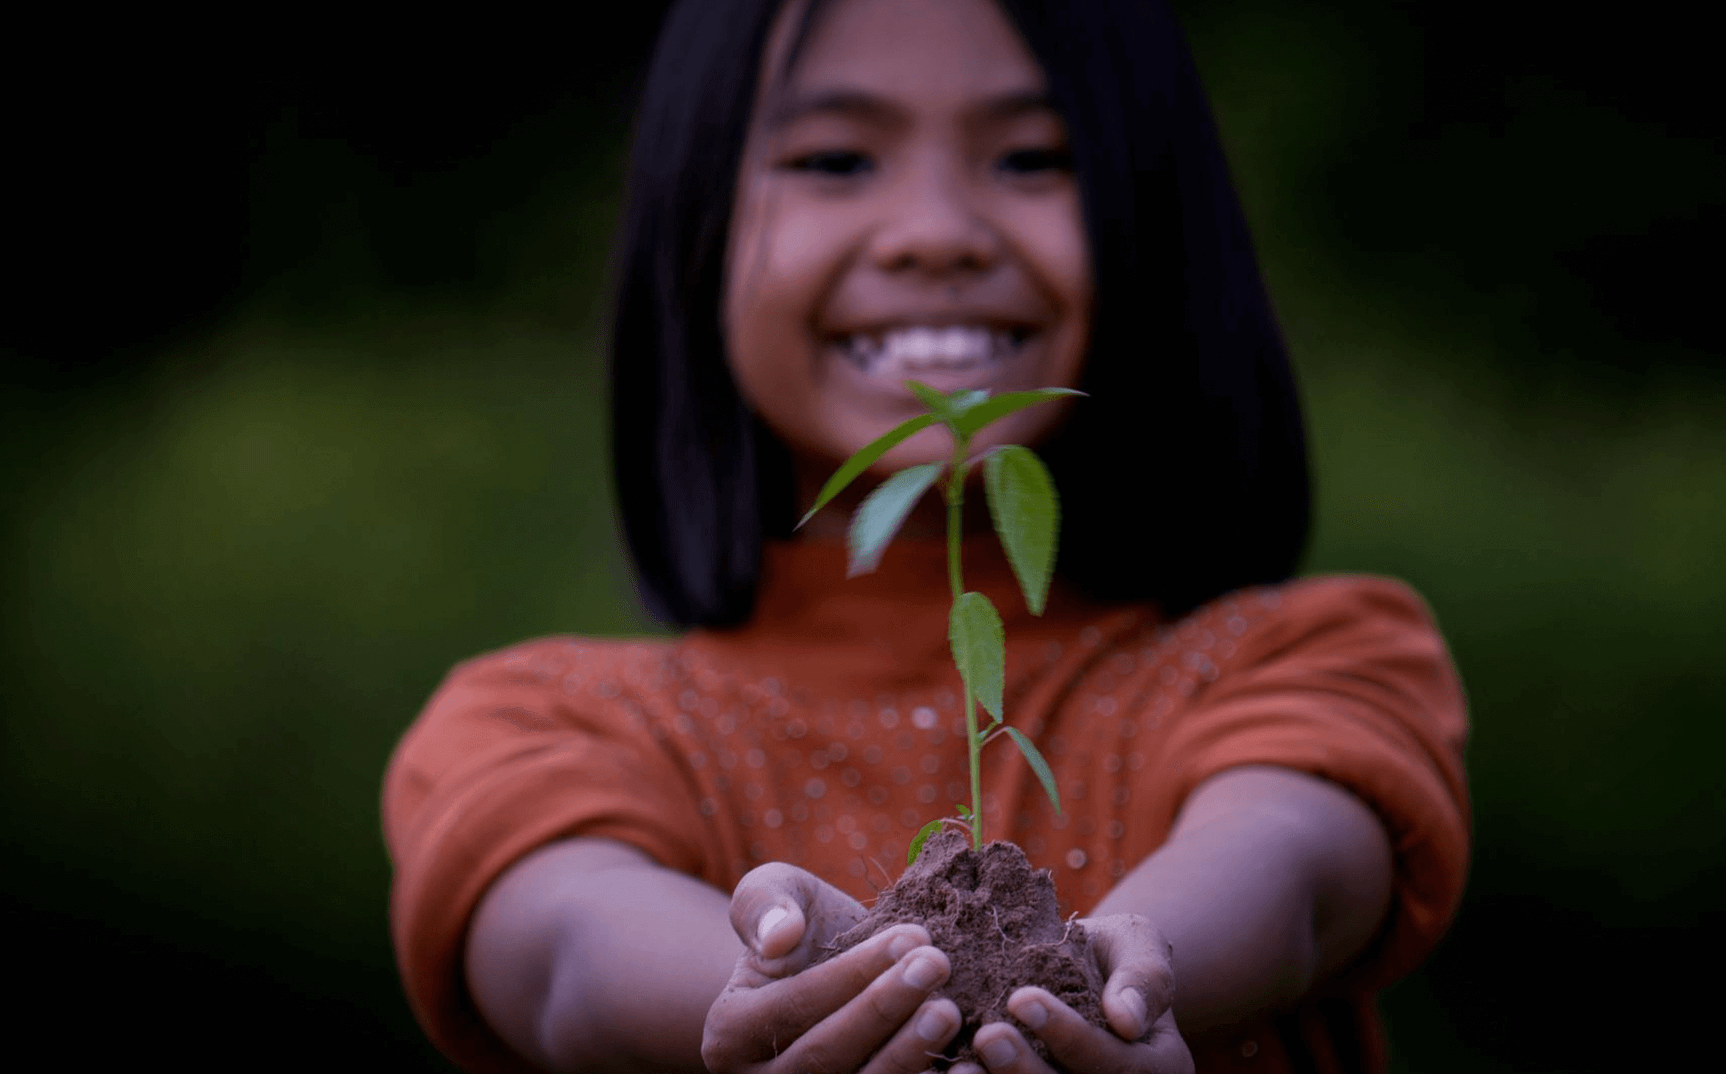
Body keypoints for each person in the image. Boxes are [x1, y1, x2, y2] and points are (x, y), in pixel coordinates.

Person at [381, 0, 1470, 1071]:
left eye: (1034, 156)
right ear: (693, 224)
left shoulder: (1308, 659)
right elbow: (564, 946)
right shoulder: (544, 725)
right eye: (837, 160)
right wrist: (781, 990)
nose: (939, 234)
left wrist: (1113, 982)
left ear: (1160, 208)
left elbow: (1291, 869)